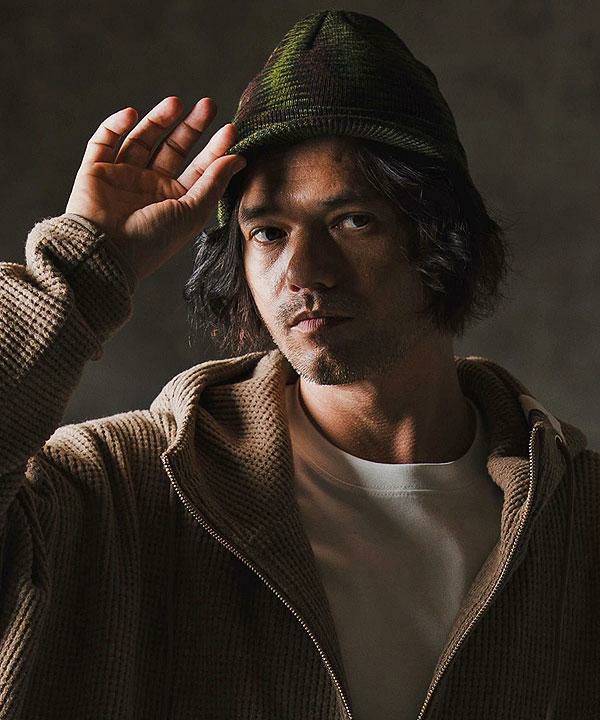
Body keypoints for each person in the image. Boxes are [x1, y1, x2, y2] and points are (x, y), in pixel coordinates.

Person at [0, 9, 597, 720]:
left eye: (353, 221)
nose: (304, 272)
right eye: (268, 232)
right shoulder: (117, 487)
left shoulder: (576, 521)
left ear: (444, 239)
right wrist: (78, 272)